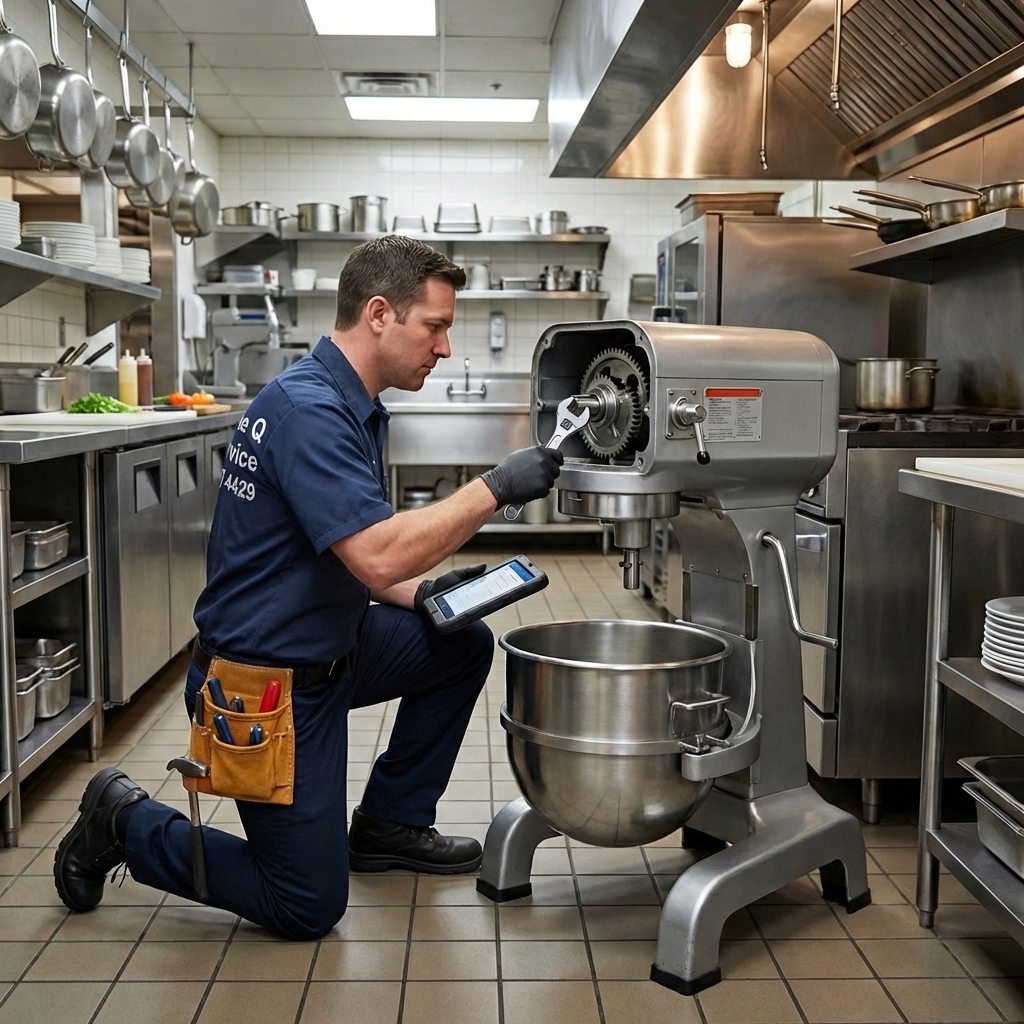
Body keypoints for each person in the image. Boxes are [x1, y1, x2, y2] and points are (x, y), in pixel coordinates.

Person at [53, 236, 563, 940]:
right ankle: (124, 819)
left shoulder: (352, 402)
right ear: (379, 314)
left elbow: (350, 550)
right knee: (305, 905)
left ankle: (389, 824)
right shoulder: (310, 412)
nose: (444, 348)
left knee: (461, 642)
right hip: (265, 683)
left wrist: (421, 594)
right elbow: (378, 555)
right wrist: (496, 487)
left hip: (332, 644)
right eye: (435, 327)